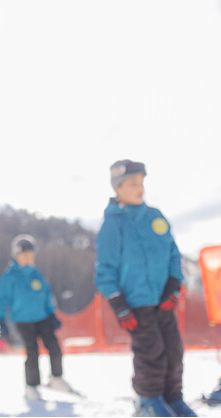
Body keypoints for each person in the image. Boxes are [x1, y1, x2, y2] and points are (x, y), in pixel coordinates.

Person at [95, 160, 196, 417]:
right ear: (117, 188)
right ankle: (149, 401)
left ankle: (173, 399)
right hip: (135, 303)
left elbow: (174, 253)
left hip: (162, 298)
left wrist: (174, 285)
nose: (139, 188)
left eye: (141, 182)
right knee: (151, 351)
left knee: (174, 349)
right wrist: (118, 304)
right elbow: (104, 270)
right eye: (132, 184)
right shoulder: (112, 224)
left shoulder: (155, 216)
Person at [0, 234, 71, 401]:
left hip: (42, 317)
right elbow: (1, 300)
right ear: (16, 255)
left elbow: (47, 293)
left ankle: (56, 378)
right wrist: (0, 320)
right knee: (32, 351)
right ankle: (32, 387)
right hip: (22, 319)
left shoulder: (37, 273)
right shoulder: (9, 276)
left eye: (31, 255)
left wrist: (52, 312)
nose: (29, 258)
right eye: (25, 255)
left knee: (54, 346)